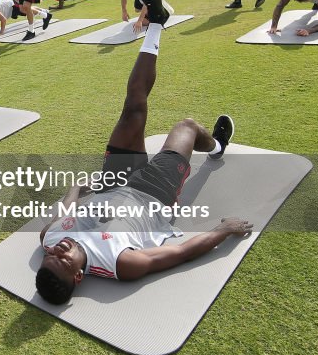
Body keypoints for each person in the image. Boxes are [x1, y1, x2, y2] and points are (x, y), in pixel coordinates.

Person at [33, 20, 246, 305]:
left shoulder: (49, 238)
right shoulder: (120, 263)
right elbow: (180, 253)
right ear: (78, 275)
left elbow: (62, 213)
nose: (58, 250)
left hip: (113, 183)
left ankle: (156, 23)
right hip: (152, 195)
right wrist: (224, 229)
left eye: (51, 255)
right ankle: (217, 146)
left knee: (133, 107)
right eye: (62, 259)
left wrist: (75, 189)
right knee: (188, 126)